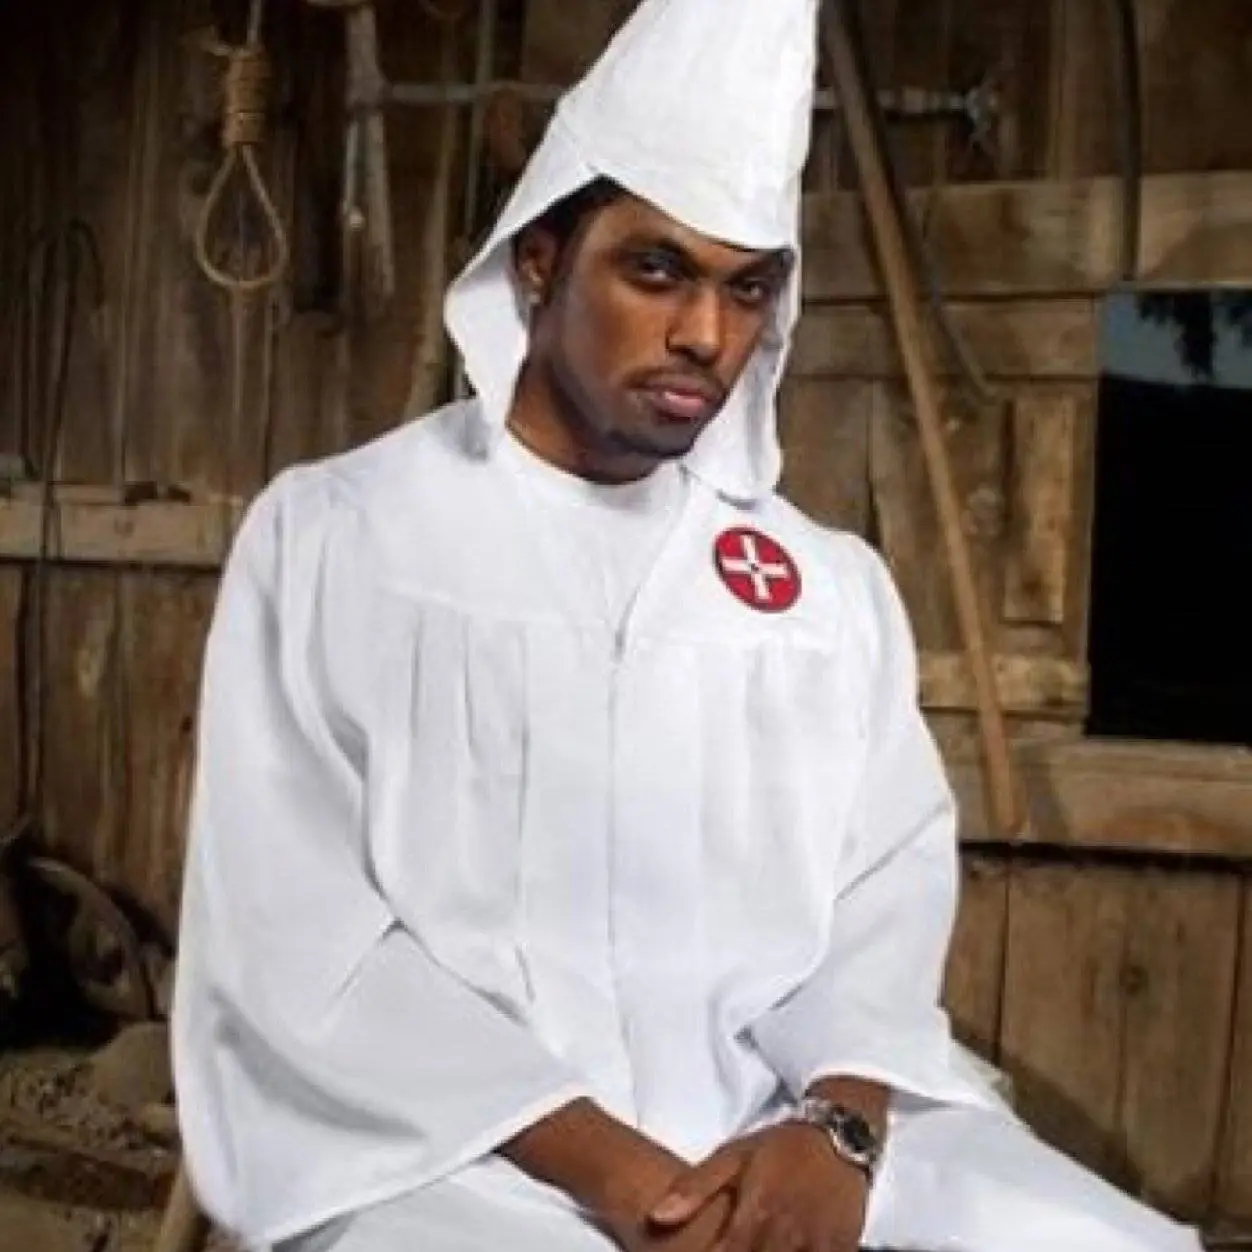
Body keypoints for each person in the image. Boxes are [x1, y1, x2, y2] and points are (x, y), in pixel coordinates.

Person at [170, 1, 1204, 1250]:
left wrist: (837, 1131)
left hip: (786, 1128)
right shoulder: (340, 539)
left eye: (746, 286)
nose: (706, 334)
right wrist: (632, 1181)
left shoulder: (820, 589)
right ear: (540, 260)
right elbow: (302, 933)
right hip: (453, 1153)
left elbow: (879, 896)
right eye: (654, 269)